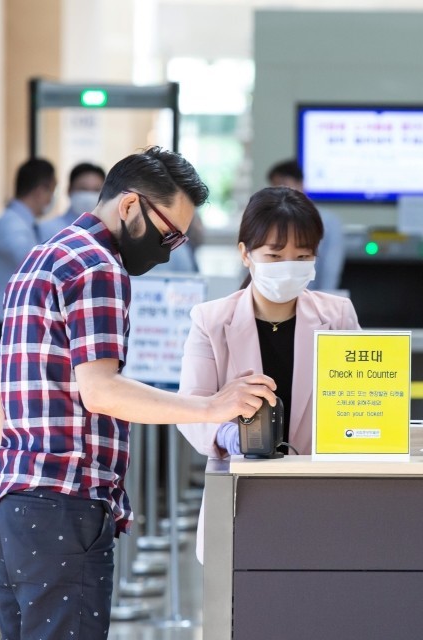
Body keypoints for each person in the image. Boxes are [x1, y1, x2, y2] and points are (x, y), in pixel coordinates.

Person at [0, 146, 278, 640]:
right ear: (128, 206)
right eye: (168, 233)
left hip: (12, 501)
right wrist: (212, 406)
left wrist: (26, 477)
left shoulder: (42, 256)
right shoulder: (99, 266)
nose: (169, 249)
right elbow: (100, 391)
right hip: (65, 504)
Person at [177, 186, 360, 562]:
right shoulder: (212, 321)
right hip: (241, 495)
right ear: (245, 253)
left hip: (322, 492)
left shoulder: (338, 316)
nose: (288, 267)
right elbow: (191, 408)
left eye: (303, 256)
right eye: (275, 256)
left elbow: (359, 402)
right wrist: (229, 435)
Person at [0, 157, 57, 533]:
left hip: (8, 332)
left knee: (5, 420)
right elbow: (41, 269)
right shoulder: (12, 227)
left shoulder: (24, 224)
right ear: (41, 189)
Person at [267, 159, 346, 291]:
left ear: (300, 184)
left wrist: (324, 302)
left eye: (284, 184)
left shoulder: (327, 221)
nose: (279, 191)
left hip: (311, 297)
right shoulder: (267, 220)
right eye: (275, 186)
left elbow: (331, 268)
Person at [37, 161, 106, 241]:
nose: (89, 196)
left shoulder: (107, 232)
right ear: (69, 190)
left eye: (96, 190)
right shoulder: (47, 229)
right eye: (83, 189)